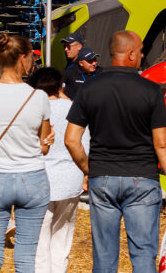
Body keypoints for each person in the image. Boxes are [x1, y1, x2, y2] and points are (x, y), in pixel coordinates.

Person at [64, 30, 166, 273]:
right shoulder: (151, 90)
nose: (142, 55)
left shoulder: (89, 88)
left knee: (104, 256)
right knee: (143, 254)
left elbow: (71, 140)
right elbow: (161, 144)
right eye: (140, 51)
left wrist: (89, 168)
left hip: (103, 176)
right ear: (130, 54)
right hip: (142, 176)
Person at [0, 34, 52, 273]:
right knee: (26, 258)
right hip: (32, 177)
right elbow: (44, 146)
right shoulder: (39, 97)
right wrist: (48, 139)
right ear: (23, 58)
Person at [32, 68, 87, 273]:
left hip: (39, 177)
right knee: (62, 235)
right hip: (70, 177)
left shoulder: (32, 109)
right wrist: (86, 172)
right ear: (59, 86)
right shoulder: (73, 108)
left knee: (39, 237)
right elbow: (84, 144)